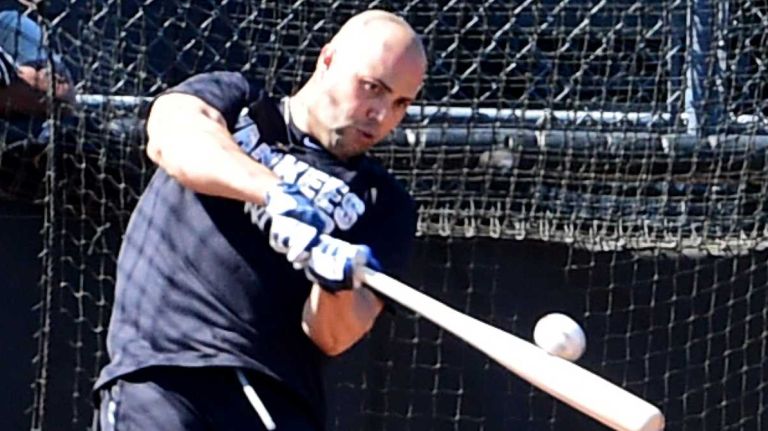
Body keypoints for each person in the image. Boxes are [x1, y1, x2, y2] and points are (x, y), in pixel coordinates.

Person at [93, 9, 427, 431]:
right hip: (163, 372)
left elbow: (334, 335)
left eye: (400, 103)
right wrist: (274, 195)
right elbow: (172, 138)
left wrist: (333, 283)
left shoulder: (385, 203)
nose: (381, 115)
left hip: (272, 397)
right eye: (372, 88)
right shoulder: (237, 101)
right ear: (328, 60)